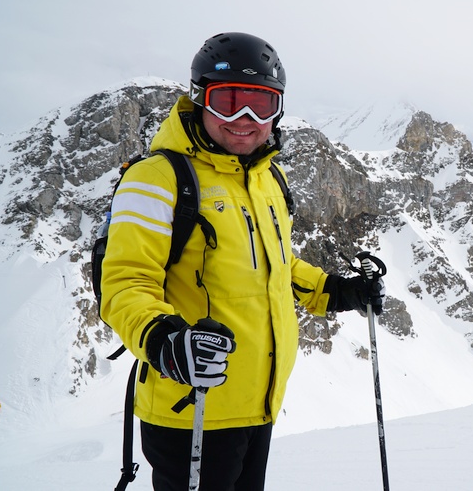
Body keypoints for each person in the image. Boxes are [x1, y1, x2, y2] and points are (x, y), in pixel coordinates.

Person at [101, 32, 385, 491]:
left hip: (257, 404)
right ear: (199, 100)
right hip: (191, 407)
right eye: (229, 101)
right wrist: (166, 340)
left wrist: (335, 291)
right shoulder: (156, 178)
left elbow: (275, 267)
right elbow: (125, 283)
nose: (246, 120)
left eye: (262, 104)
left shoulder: (268, 175)